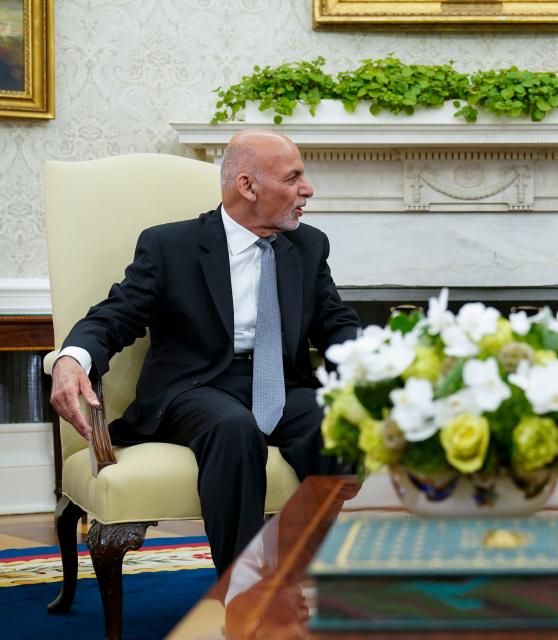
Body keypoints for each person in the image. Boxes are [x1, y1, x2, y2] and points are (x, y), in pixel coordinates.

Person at [50, 129, 361, 574]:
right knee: (234, 429)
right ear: (248, 186)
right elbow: (114, 315)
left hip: (278, 382)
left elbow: (335, 322)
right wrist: (71, 358)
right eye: (293, 178)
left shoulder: (308, 245)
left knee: (335, 425)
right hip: (195, 386)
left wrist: (378, 364)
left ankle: (292, 569)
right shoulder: (170, 246)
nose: (307, 190)